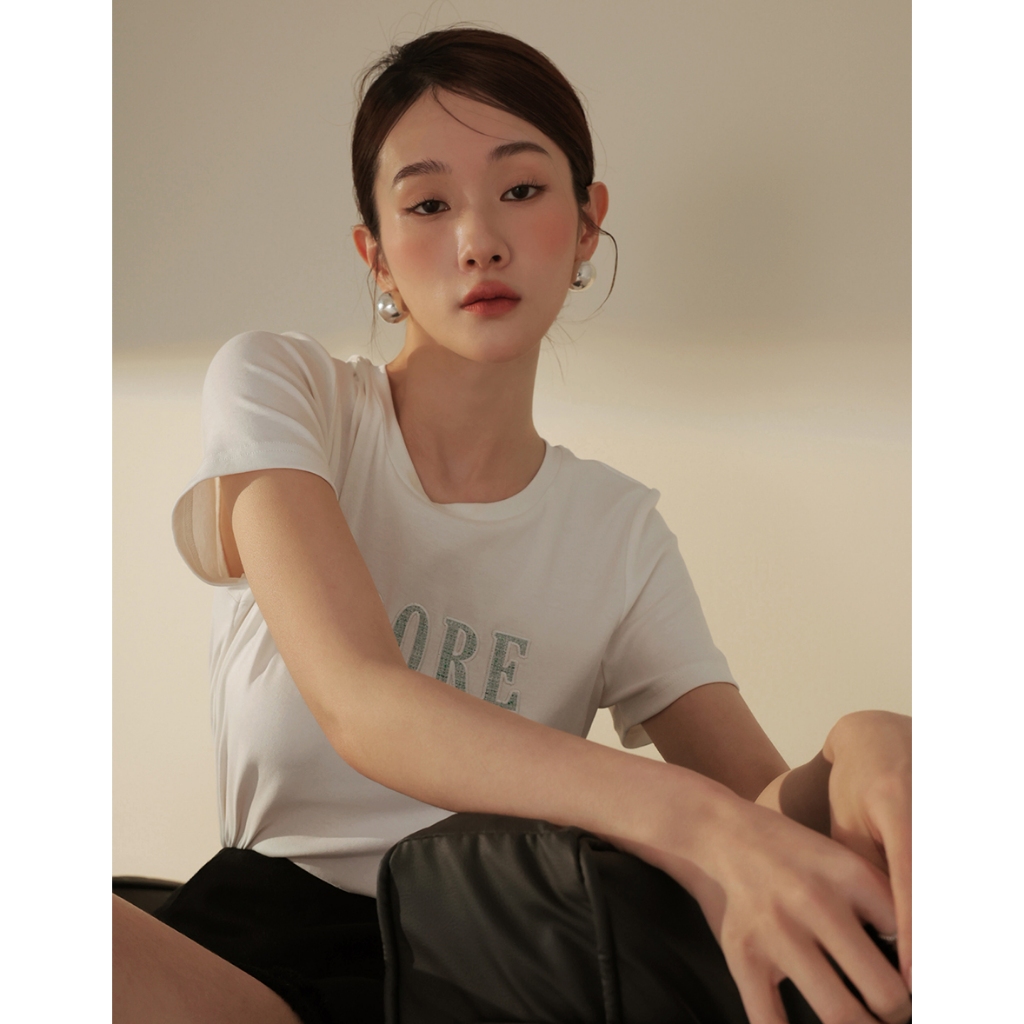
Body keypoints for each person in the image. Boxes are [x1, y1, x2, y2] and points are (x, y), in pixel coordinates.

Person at [112, 27, 911, 1024]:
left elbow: (761, 811)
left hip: (497, 976)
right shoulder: (287, 392)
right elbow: (363, 702)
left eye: (522, 190)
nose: (478, 239)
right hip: (243, 977)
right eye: (427, 205)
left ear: (587, 224)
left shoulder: (616, 532)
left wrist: (856, 751)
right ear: (375, 255)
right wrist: (685, 821)